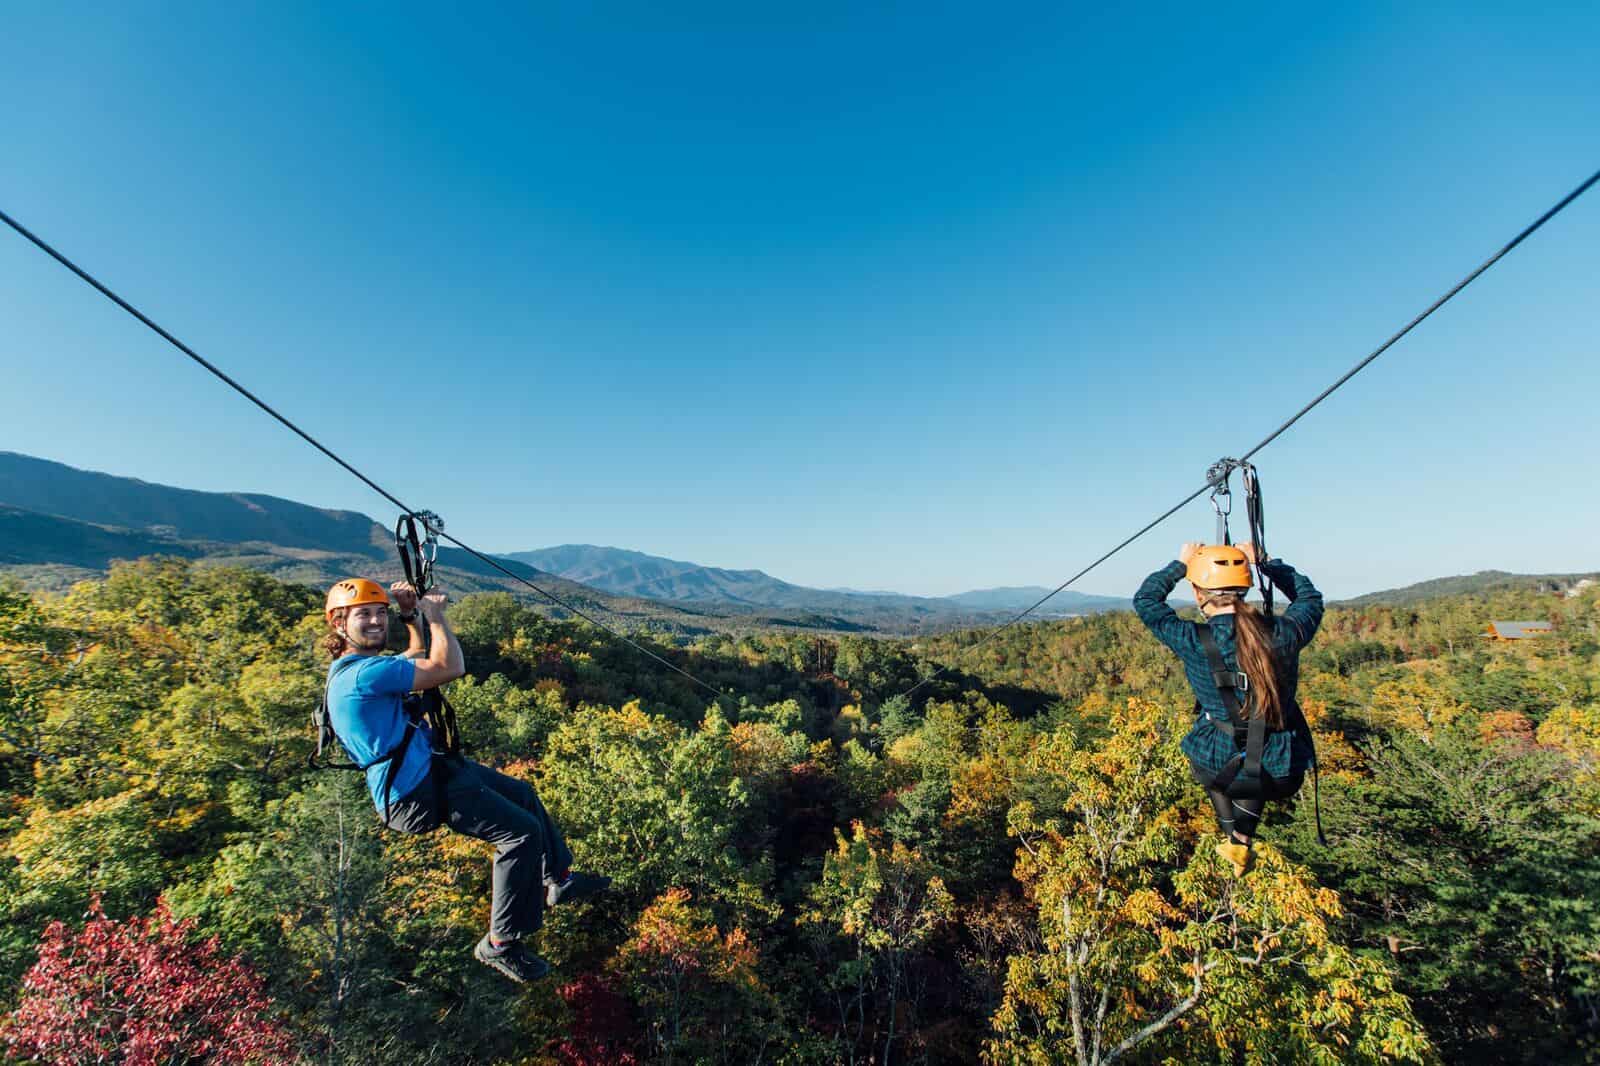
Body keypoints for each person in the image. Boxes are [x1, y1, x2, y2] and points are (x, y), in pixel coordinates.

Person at [322, 577, 610, 983]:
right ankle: (500, 943)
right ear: (338, 624)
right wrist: (435, 615)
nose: (374, 621)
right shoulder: (362, 676)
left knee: (522, 794)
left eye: (378, 613)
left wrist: (409, 616)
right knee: (520, 834)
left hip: (427, 769)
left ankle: (559, 878)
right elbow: (449, 667)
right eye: (363, 614)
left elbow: (416, 656)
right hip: (414, 790)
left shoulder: (359, 670)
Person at [1133, 542, 1323, 876]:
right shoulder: (1283, 633)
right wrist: (1265, 562)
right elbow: (1308, 599)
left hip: (1217, 766)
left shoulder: (1194, 639)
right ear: (1245, 587)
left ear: (1198, 593)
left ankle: (1234, 837)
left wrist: (1180, 563)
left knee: (1227, 751)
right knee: (1256, 749)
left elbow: (1146, 601)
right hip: (1282, 772)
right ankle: (1239, 840)